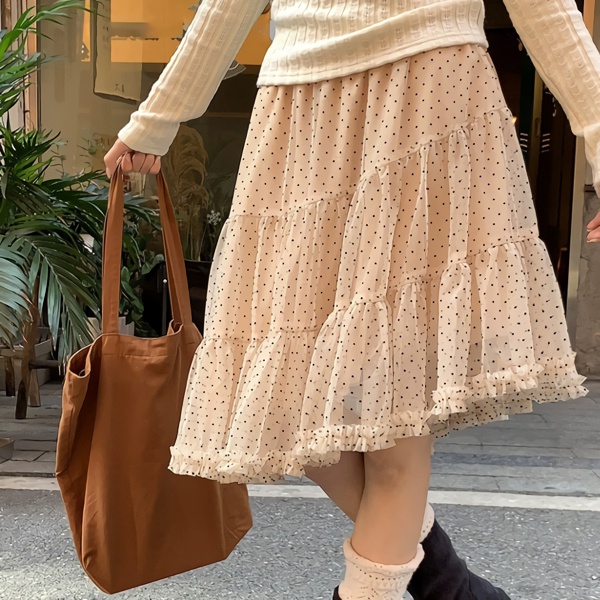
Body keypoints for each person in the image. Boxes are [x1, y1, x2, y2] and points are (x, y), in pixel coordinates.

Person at [104, 1, 600, 598]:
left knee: (392, 435)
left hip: (426, 88)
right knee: (295, 410)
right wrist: (156, 119)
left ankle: (433, 587)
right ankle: (451, 585)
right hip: (299, 111)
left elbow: (547, 11)